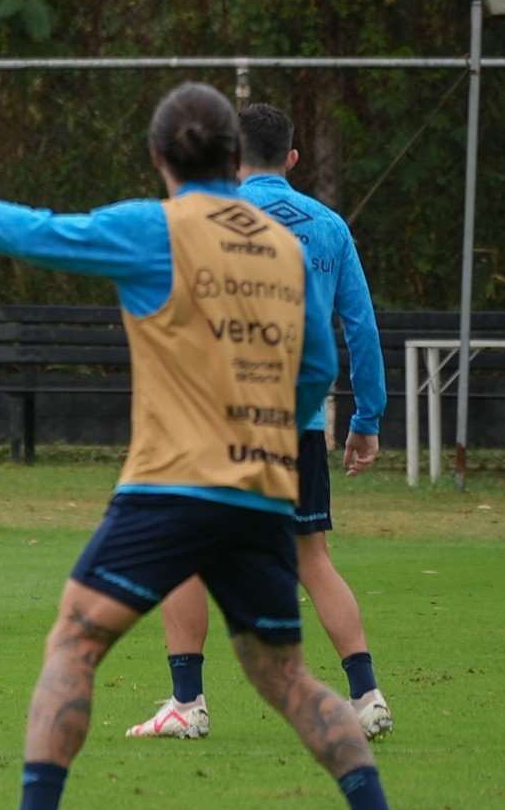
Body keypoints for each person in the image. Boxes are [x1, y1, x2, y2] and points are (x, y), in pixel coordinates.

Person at [0, 84, 411, 810]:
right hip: (262, 487)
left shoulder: (156, 228)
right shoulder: (285, 245)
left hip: (171, 486)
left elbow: (34, 233)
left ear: (159, 158)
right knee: (285, 675)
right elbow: (318, 362)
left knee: (74, 636)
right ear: (231, 158)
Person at [126, 104, 391, 742]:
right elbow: (360, 326)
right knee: (312, 559)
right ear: (292, 159)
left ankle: (187, 703)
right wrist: (367, 418)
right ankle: (368, 695)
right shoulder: (329, 228)